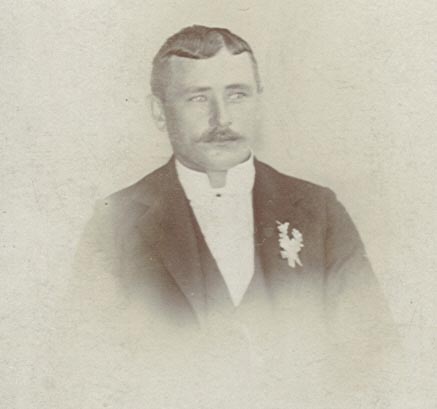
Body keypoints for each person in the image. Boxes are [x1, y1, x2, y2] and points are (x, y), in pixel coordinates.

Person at [73, 25, 393, 337]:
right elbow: (87, 357)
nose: (222, 119)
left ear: (258, 102)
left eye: (237, 95)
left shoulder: (319, 210)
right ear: (159, 112)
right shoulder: (115, 221)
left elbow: (371, 348)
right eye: (198, 98)